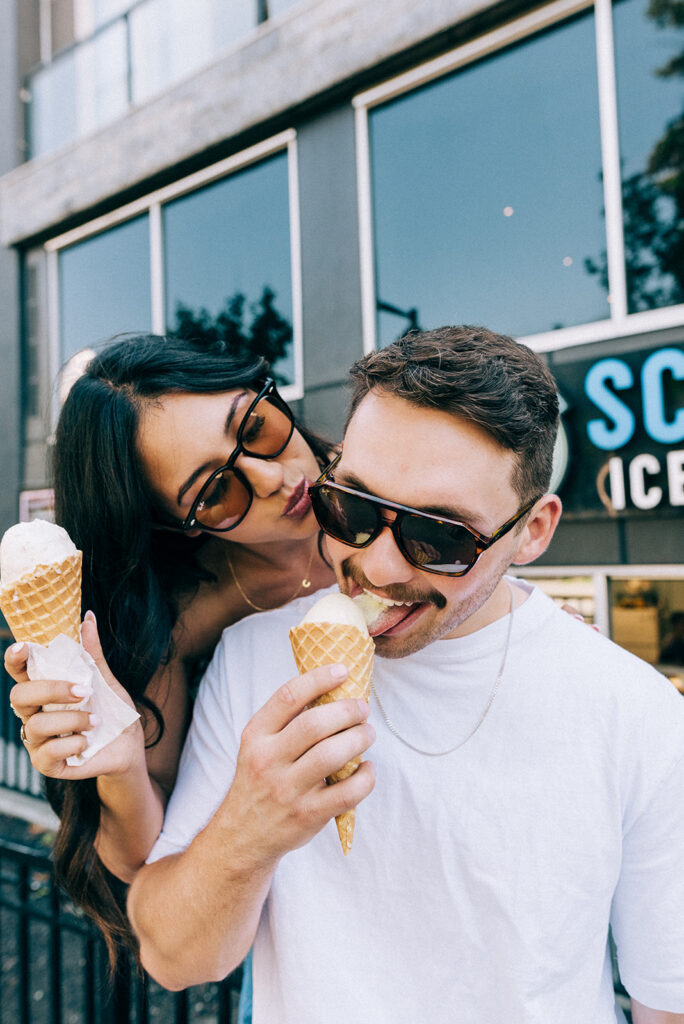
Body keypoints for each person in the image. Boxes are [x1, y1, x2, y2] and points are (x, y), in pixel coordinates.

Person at [127, 326, 684, 1024]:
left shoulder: (634, 710)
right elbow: (176, 960)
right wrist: (250, 828)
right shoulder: (252, 658)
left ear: (534, 531)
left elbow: (668, 1000)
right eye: (353, 508)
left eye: (441, 537)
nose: (381, 567)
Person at [4, 333, 335, 975]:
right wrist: (120, 766)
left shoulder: (382, 475)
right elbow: (142, 858)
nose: (275, 478)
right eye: (215, 491)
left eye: (257, 425)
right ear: (168, 523)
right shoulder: (183, 619)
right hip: (293, 931)